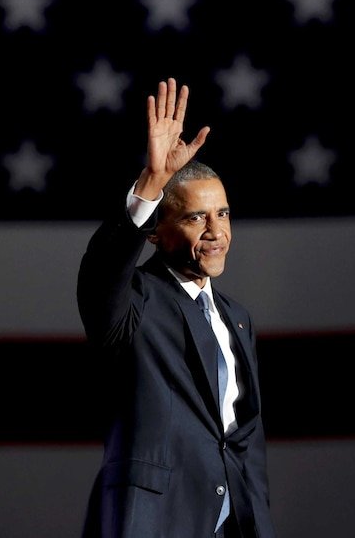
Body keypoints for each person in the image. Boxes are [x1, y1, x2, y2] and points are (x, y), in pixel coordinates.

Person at [77, 77, 276, 538]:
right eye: (195, 217)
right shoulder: (134, 303)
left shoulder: (237, 319)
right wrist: (152, 183)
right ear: (155, 233)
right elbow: (101, 273)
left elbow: (243, 442)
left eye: (222, 213)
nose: (216, 231)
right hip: (155, 523)